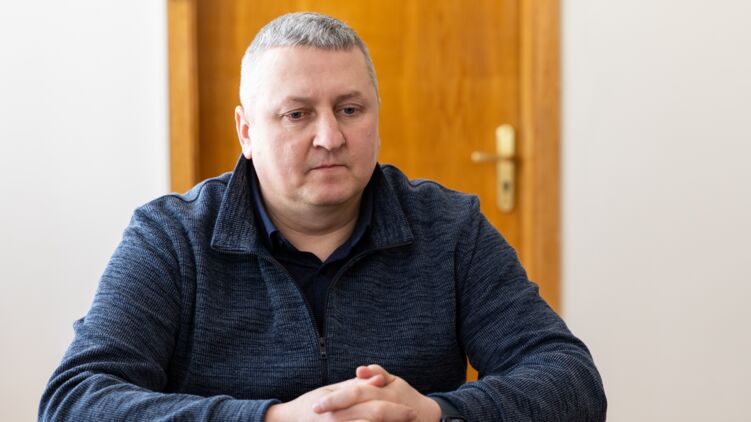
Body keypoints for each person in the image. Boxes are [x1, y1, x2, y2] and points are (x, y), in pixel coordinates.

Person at [39, 12, 606, 422]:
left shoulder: (450, 228)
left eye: (350, 109)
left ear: (376, 118)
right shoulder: (171, 238)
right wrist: (272, 419)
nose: (330, 137)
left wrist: (433, 412)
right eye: (297, 114)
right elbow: (74, 400)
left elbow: (571, 380)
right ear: (246, 132)